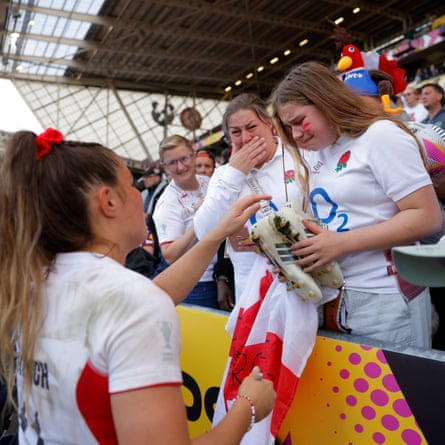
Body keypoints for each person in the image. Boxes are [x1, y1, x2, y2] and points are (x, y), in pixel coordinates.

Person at [0, 128, 275, 444]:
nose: (139, 196)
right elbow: (137, 305)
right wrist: (246, 409)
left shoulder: (32, 282)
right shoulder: (132, 302)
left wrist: (213, 236)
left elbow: (146, 297)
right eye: (130, 185)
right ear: (109, 201)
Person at [271, 61, 443, 348]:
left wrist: (340, 244)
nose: (297, 134)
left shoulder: (380, 135)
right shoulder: (317, 151)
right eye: (289, 127)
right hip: (333, 299)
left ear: (326, 100)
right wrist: (297, 255)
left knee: (399, 392)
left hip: (386, 300)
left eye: (300, 121)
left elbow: (427, 217)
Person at [193, 93, 306, 300]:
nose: (245, 138)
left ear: (269, 124)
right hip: (251, 295)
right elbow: (204, 232)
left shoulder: (300, 155)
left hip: (303, 285)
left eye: (252, 128)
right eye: (236, 132)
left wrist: (272, 246)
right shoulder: (223, 175)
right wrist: (235, 174)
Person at [153, 135, 219, 309]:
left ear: (194, 155)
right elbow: (170, 255)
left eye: (184, 158)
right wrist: (199, 219)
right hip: (197, 284)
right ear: (165, 167)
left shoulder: (208, 182)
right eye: (172, 163)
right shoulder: (167, 203)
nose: (180, 167)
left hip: (220, 274)